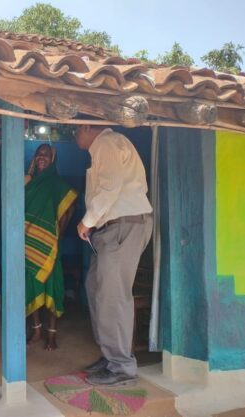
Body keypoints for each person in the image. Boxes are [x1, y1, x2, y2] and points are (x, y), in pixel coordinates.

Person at [74, 124, 153, 386]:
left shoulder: (106, 143)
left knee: (113, 295)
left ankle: (121, 366)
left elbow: (109, 188)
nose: (74, 136)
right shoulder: (105, 145)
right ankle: (111, 356)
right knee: (96, 286)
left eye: (75, 130)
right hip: (114, 229)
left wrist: (87, 221)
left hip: (122, 226)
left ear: (87, 127)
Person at [25, 144, 77, 350]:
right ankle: (37, 330)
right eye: (39, 154)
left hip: (50, 244)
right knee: (32, 285)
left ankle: (52, 334)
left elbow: (70, 208)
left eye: (46, 155)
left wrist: (59, 234)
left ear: (53, 159)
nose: (41, 157)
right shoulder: (28, 182)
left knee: (53, 286)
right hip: (29, 242)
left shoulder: (56, 183)